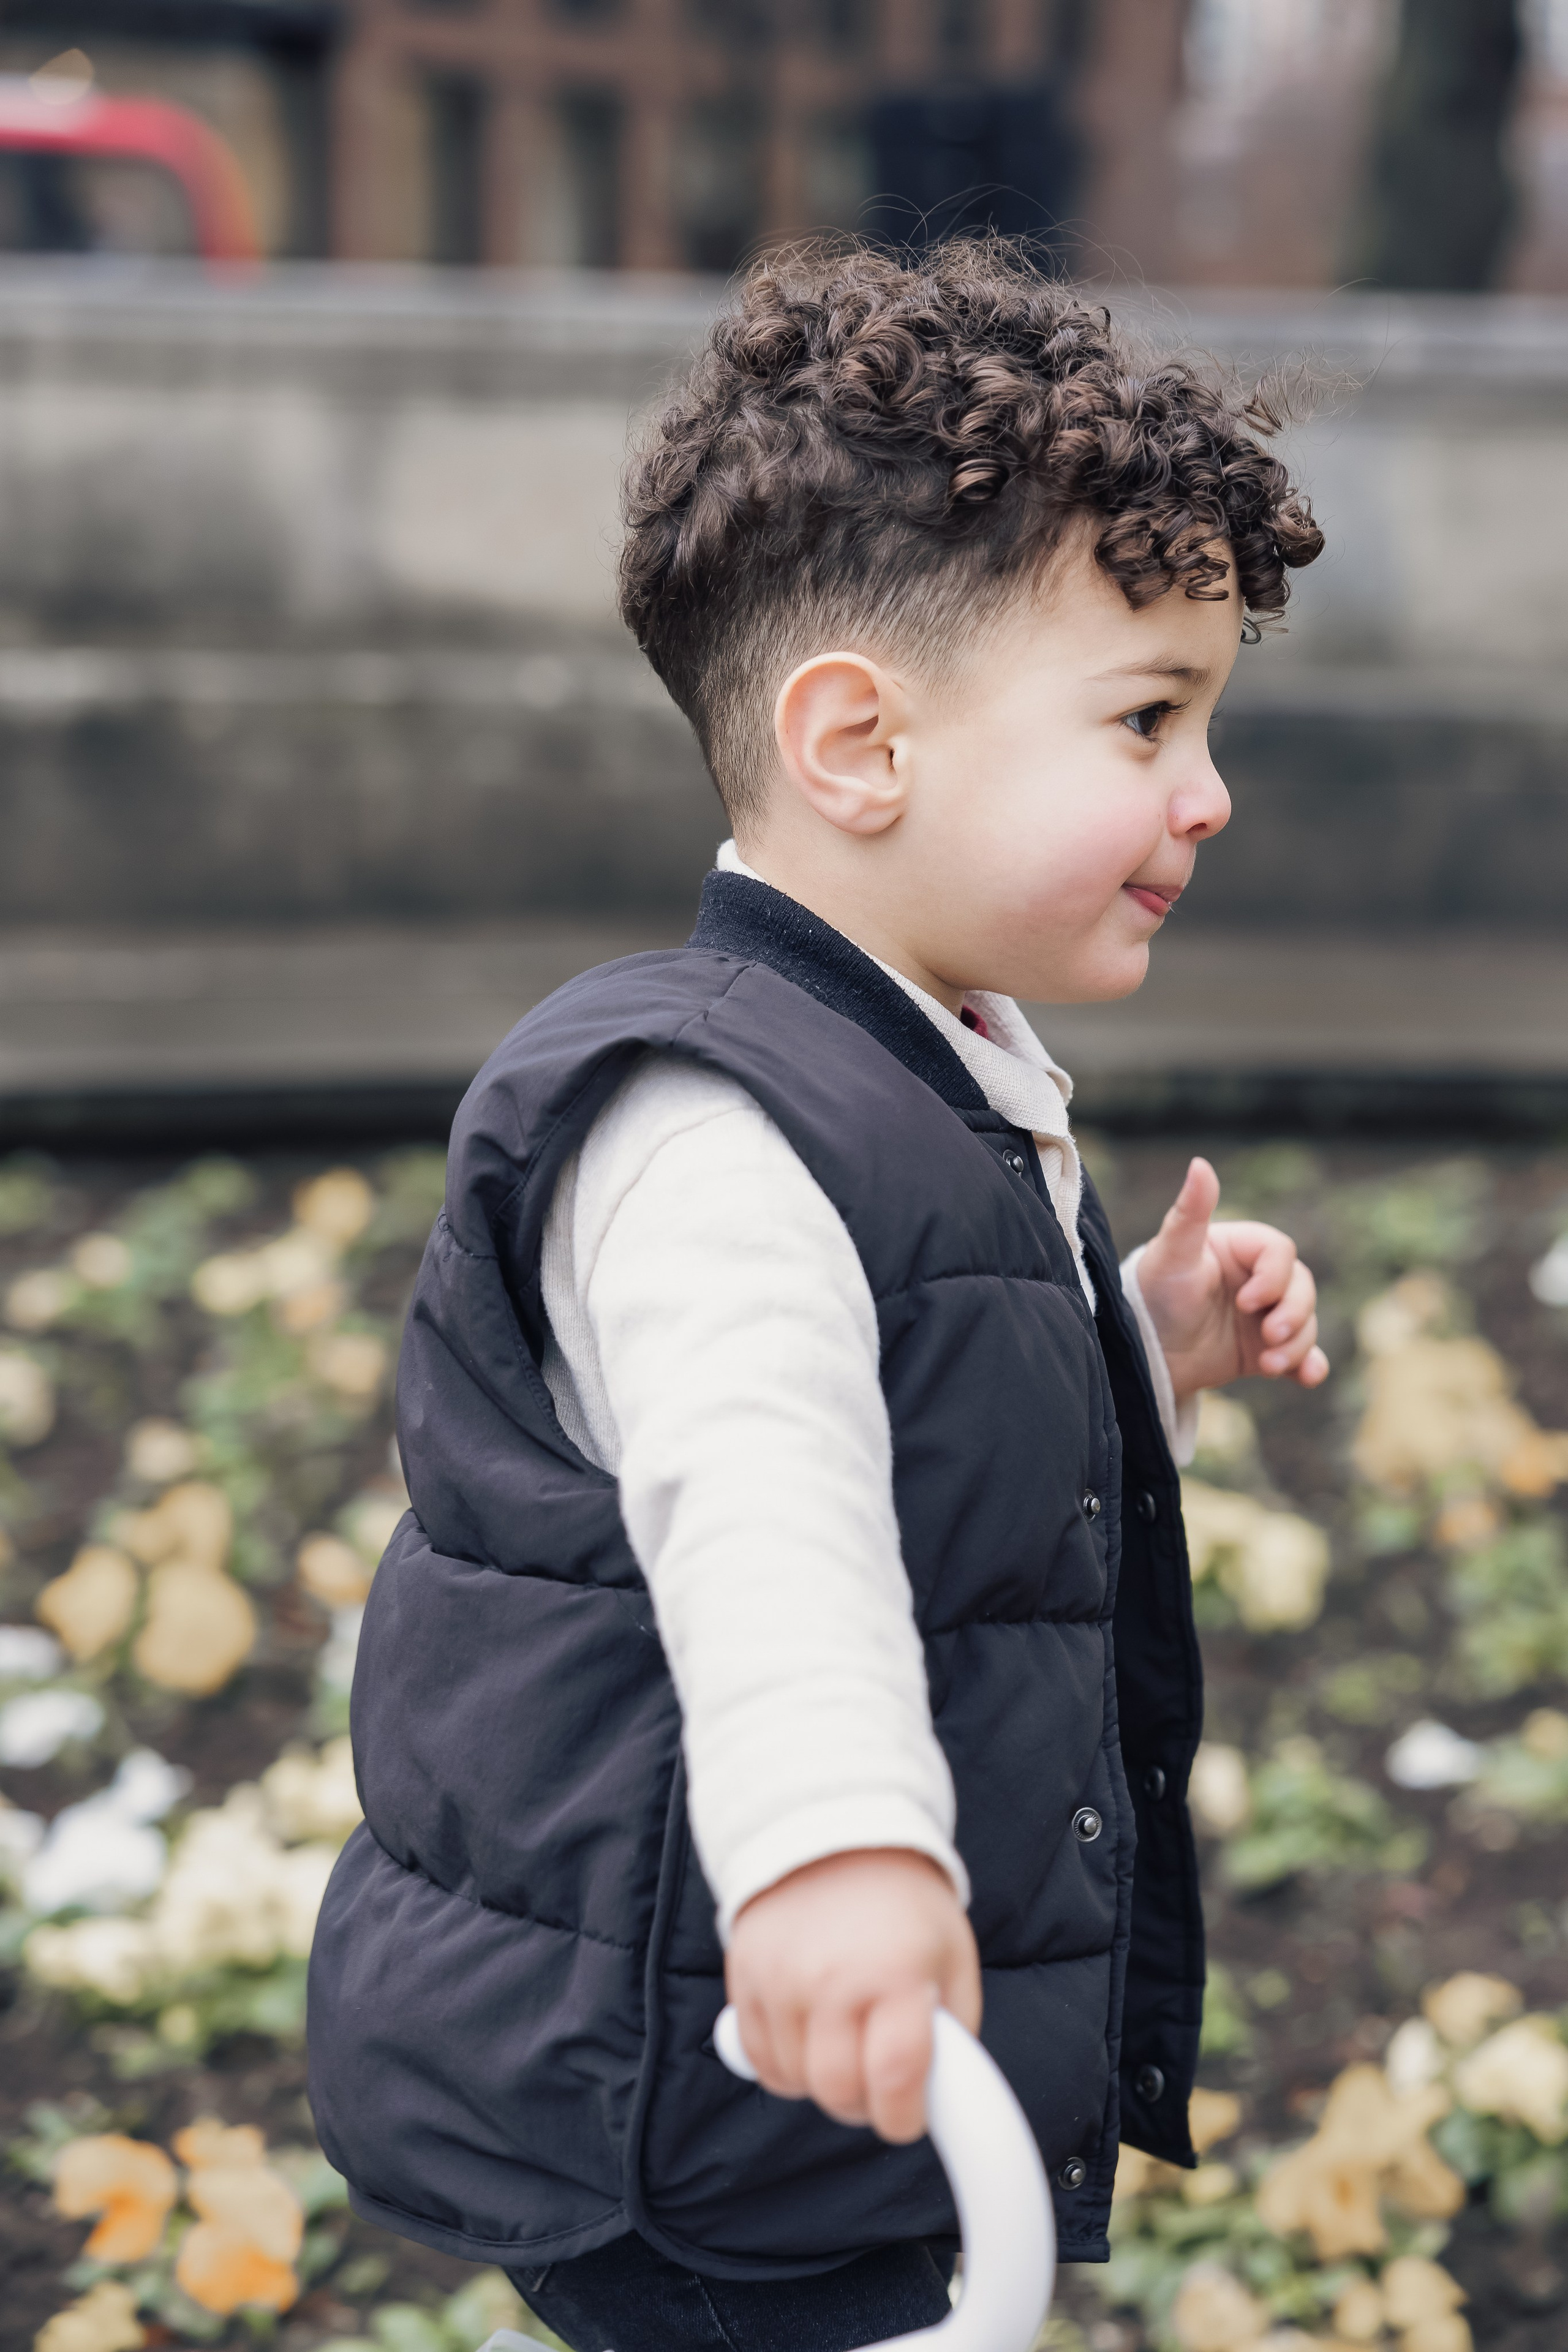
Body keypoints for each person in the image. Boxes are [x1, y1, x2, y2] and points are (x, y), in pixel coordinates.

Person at [307, 236, 1328, 2352]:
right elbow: (759, 1505)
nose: (1208, 792)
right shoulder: (704, 1128)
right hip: (702, 2071)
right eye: (1148, 717)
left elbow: (910, 1439)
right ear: (857, 743)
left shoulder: (918, 1070)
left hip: (799, 2078)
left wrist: (1133, 1351)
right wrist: (838, 1854)